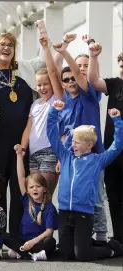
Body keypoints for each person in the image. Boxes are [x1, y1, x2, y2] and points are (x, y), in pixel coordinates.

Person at [0, 21, 64, 237]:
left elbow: (46, 59)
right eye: (1, 45)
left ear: (14, 51)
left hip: (22, 145)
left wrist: (44, 32)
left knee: (20, 190)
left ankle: (17, 236)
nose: (6, 48)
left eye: (10, 45)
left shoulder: (24, 67)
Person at [47, 99, 123, 261]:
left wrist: (117, 121)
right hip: (65, 212)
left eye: (77, 142)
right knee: (65, 255)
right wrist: (54, 112)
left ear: (89, 145)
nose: (72, 144)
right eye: (72, 141)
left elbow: (117, 146)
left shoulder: (97, 160)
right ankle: (82, 244)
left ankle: (112, 249)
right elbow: (52, 133)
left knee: (82, 255)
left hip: (84, 214)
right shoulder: (66, 156)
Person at [53, 35, 108, 245]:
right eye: (79, 65)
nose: (81, 69)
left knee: (96, 196)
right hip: (72, 158)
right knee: (76, 196)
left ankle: (102, 237)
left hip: (93, 157)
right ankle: (80, 237)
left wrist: (65, 52)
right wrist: (61, 158)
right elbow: (63, 135)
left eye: (85, 66)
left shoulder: (91, 94)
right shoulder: (65, 101)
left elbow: (78, 74)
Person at [20, 32, 64, 196]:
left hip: (50, 152)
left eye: (46, 84)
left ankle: (50, 222)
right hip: (33, 154)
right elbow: (28, 128)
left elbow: (53, 72)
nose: (43, 87)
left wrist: (46, 47)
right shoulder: (35, 104)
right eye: (39, 84)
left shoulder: (57, 100)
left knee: (45, 197)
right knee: (34, 198)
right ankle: (38, 222)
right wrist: (23, 148)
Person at [88, 43, 123, 245]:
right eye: (121, 64)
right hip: (112, 151)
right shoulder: (114, 84)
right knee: (114, 196)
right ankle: (118, 237)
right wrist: (94, 56)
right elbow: (93, 81)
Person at [2, 144, 58, 261]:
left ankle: (23, 252)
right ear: (27, 190)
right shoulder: (27, 200)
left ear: (45, 189)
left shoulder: (49, 208)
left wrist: (33, 242)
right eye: (31, 187)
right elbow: (21, 177)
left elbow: (49, 231)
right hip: (23, 240)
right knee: (3, 236)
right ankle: (26, 253)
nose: (34, 189)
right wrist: (18, 156)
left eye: (38, 186)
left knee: (51, 242)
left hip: (38, 243)